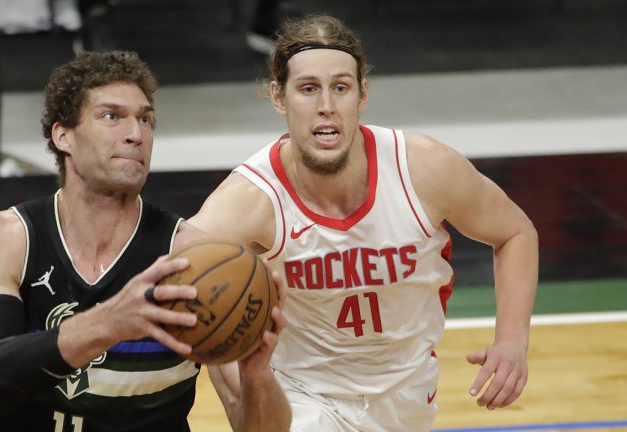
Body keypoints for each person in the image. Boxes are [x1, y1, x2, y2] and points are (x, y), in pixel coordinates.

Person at [188, 14, 539, 431]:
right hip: (302, 394)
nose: (326, 106)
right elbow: (176, 281)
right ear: (278, 97)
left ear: (362, 94)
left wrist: (513, 343)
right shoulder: (250, 199)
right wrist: (244, 394)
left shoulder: (424, 169)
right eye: (308, 89)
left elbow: (516, 233)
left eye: (340, 87)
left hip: (407, 392)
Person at [0, 50, 290, 431]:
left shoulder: (193, 260)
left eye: (145, 119)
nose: (136, 134)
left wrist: (258, 377)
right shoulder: (3, 237)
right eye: (112, 116)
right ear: (62, 135)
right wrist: (111, 322)